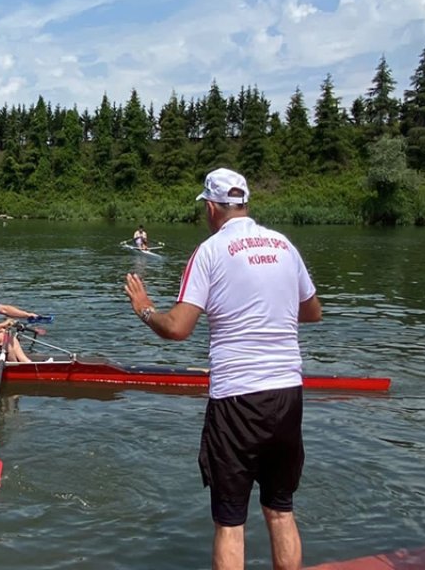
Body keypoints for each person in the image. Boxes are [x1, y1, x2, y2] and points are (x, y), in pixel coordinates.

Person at [124, 168, 322, 570]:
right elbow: (313, 312)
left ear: (212, 208)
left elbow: (178, 328)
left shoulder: (211, 251)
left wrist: (145, 309)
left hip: (237, 399)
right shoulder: (284, 245)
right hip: (288, 393)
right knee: (280, 510)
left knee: (230, 522)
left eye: (205, 209)